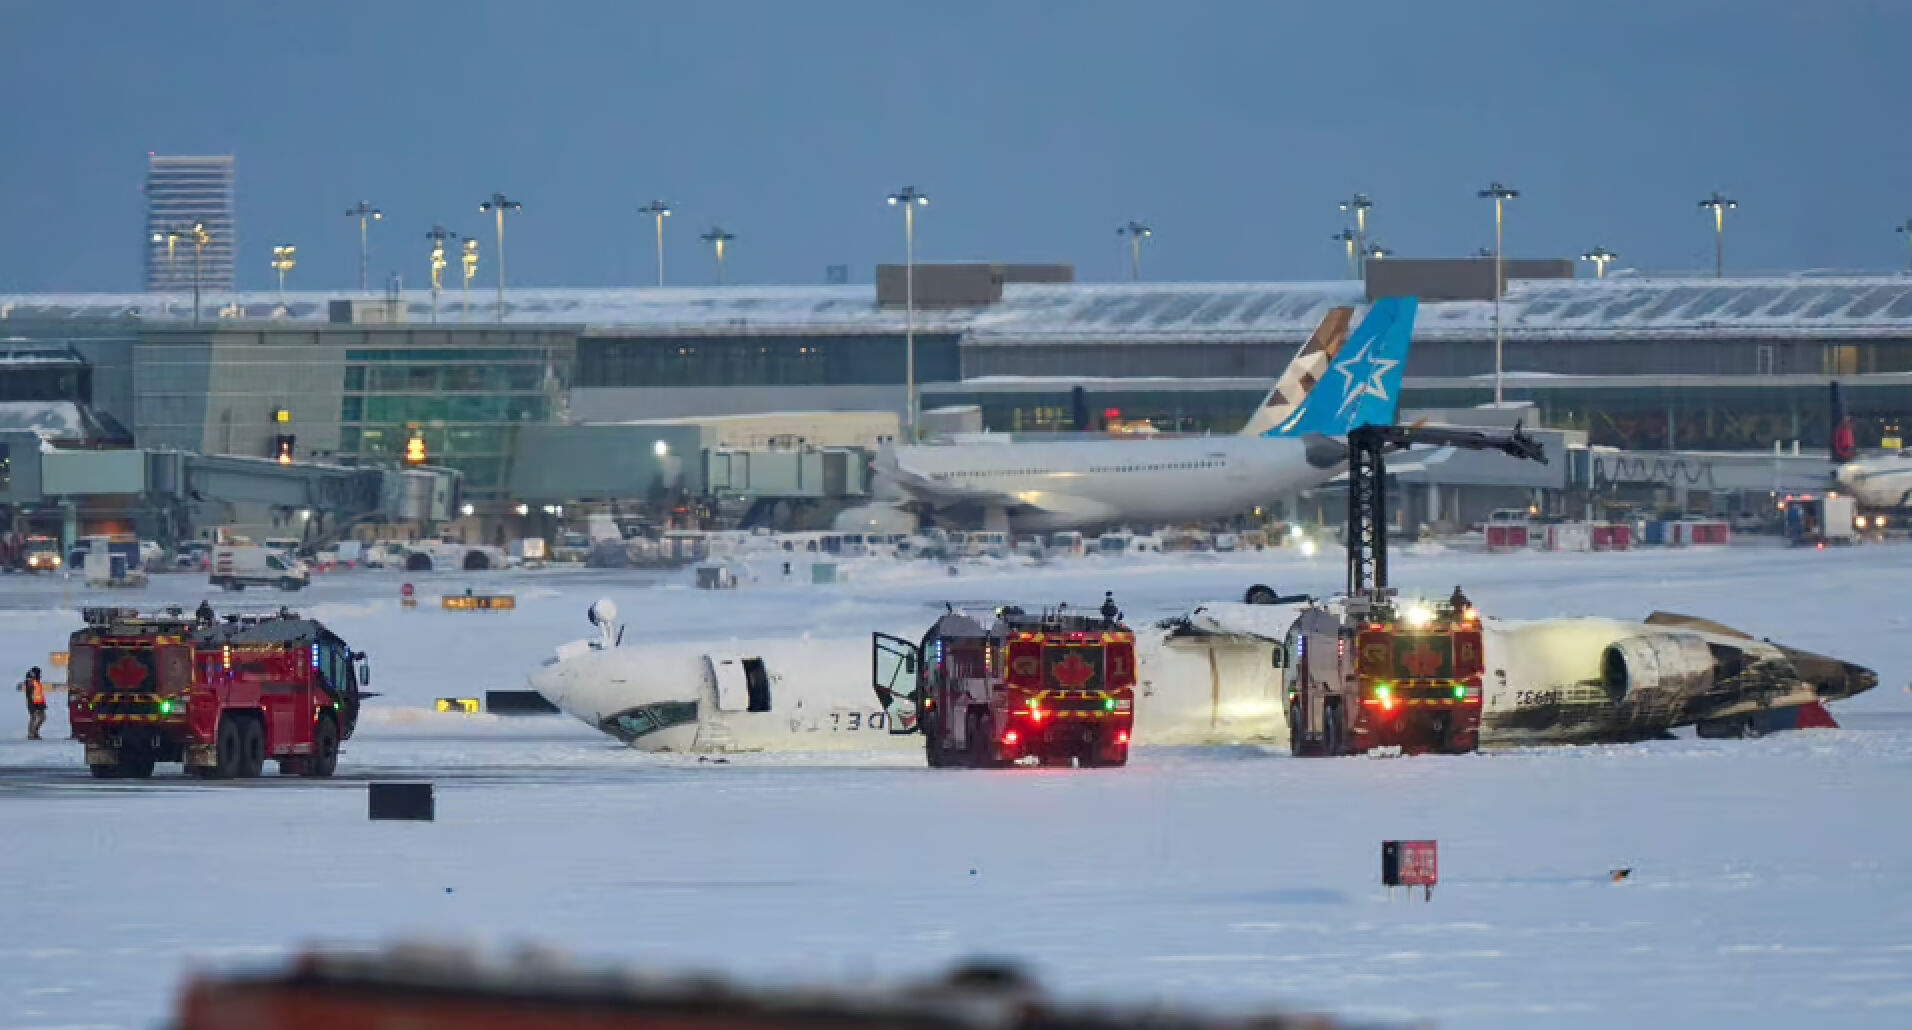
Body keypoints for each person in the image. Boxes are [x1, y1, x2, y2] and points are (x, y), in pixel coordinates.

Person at [23, 666, 46, 740]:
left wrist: (43, 704)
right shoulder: (30, 681)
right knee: (34, 717)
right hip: (32, 703)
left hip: (39, 703)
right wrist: (33, 705)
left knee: (42, 717)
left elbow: (39, 693)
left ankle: (35, 731)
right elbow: (30, 695)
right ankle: (31, 734)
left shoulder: (36, 681)